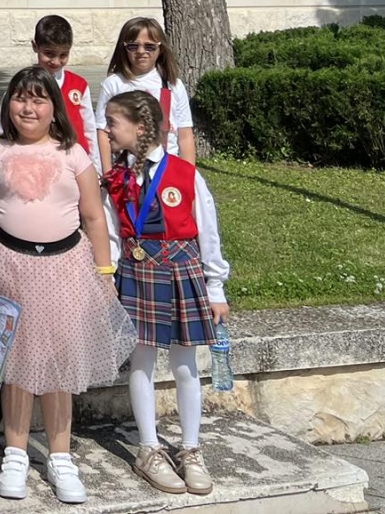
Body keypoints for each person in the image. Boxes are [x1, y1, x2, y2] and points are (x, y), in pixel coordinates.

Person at [0, 67, 136, 505]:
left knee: (60, 362)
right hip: (8, 267)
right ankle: (16, 452)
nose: (28, 107)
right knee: (15, 363)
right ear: (9, 105)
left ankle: (60, 456)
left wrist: (105, 272)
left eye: (38, 99)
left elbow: (93, 217)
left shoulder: (73, 155)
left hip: (65, 269)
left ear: (54, 108)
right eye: (21, 98)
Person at [104, 91, 230, 497]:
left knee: (185, 363)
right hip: (137, 271)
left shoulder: (185, 173)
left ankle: (191, 448)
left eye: (113, 122)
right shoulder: (117, 177)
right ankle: (149, 448)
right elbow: (110, 231)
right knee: (141, 359)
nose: (106, 130)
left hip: (180, 269)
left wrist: (215, 286)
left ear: (140, 128)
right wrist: (109, 277)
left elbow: (207, 231)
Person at [95, 17, 197, 172]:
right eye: (133, 46)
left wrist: (187, 173)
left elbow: (185, 135)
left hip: (166, 169)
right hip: (126, 170)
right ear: (124, 48)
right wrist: (108, 173)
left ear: (161, 49)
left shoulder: (173, 85)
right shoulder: (114, 84)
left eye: (149, 46)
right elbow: (103, 132)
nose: (141, 51)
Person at [32, 15, 95, 163]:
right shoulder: (24, 83)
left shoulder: (79, 85)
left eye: (63, 55)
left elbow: (90, 129)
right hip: (41, 159)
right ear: (35, 46)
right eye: (49, 54)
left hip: (77, 160)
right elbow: (5, 122)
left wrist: (96, 166)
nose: (56, 61)